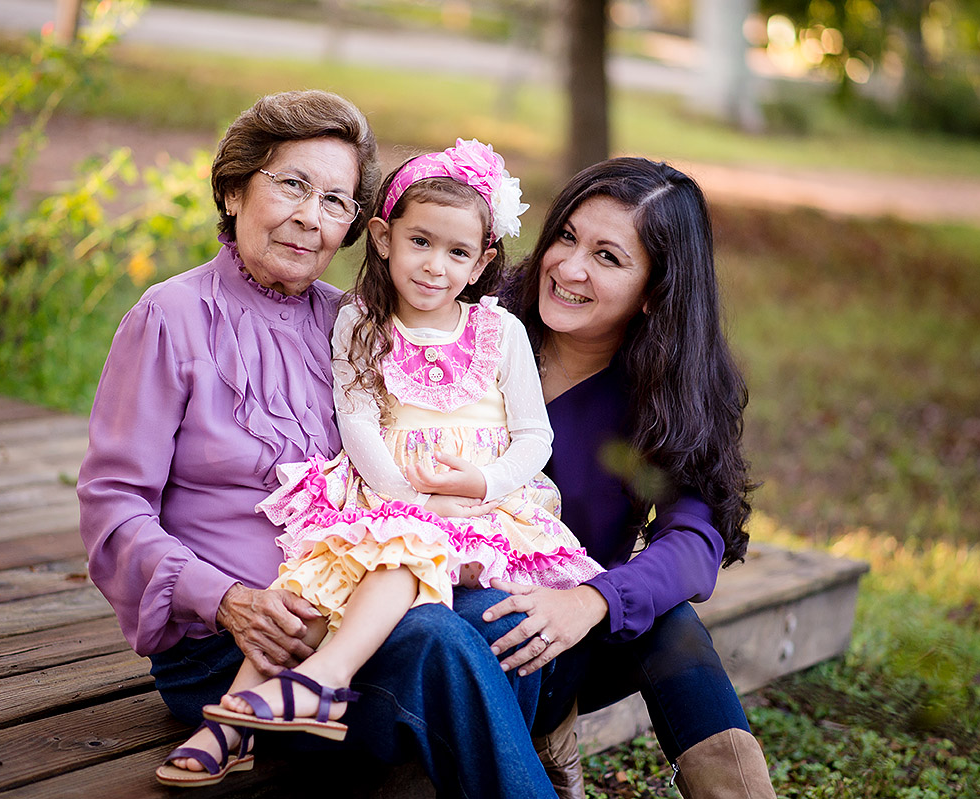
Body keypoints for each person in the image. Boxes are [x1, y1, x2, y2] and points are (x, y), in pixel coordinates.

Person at [76, 91, 564, 798]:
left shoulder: (355, 324)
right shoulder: (171, 317)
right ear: (236, 188)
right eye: (292, 184)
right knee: (443, 640)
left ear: (356, 227)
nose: (311, 216)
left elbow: (465, 384)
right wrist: (227, 600)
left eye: (335, 200)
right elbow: (113, 511)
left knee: (503, 616)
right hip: (237, 645)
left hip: (353, 622)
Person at [484, 157, 778, 798]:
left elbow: (695, 546)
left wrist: (591, 601)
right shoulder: (476, 321)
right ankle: (540, 742)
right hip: (444, 617)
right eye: (566, 236)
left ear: (653, 291)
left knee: (667, 620)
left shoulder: (667, 394)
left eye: (608, 257)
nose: (569, 268)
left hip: (558, 634)